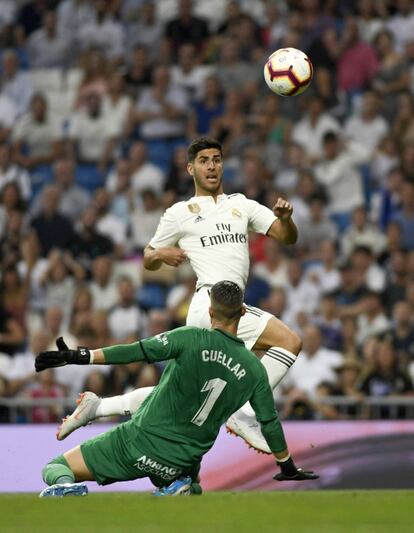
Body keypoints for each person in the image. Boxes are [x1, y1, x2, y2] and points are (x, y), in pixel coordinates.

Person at [56, 137, 302, 454]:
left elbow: (287, 238)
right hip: (213, 306)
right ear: (190, 168)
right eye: (204, 160)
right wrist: (161, 255)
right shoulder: (180, 212)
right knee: (289, 341)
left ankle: (98, 406)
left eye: (217, 159)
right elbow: (146, 255)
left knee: (184, 393)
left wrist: (285, 219)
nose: (212, 165)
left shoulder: (242, 204)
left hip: (225, 308)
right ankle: (244, 413)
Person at [36, 281, 318, 497]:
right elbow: (268, 422)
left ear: (209, 312)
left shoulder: (189, 338)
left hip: (136, 443)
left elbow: (136, 351)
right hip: (182, 460)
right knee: (192, 486)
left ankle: (65, 488)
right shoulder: (255, 370)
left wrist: (81, 356)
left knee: (55, 468)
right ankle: (181, 485)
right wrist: (287, 466)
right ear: (243, 312)